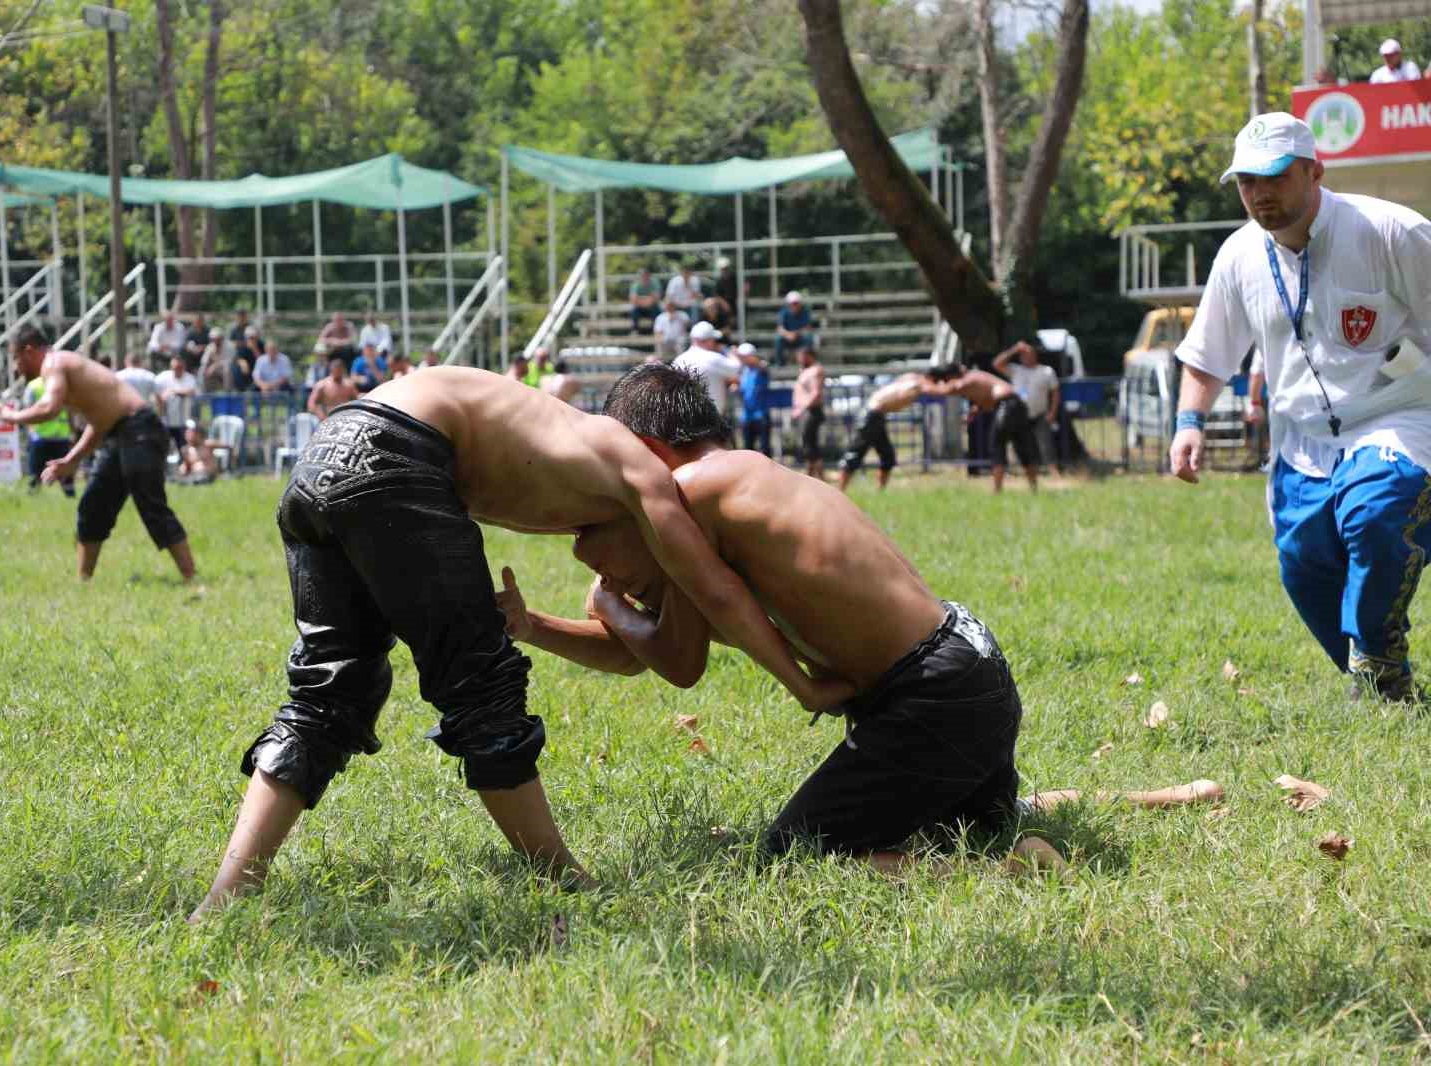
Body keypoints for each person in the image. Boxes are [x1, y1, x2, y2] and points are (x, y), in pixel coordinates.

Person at [188, 365, 852, 922]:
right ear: (655, 444)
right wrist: (802, 683)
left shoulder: (562, 443)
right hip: (395, 450)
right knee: (481, 685)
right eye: (693, 473)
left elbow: (660, 653)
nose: (692, 496)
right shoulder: (635, 467)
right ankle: (563, 878)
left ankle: (226, 895)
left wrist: (538, 624)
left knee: (332, 690)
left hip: (323, 455)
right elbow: (717, 593)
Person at [495, 362, 1116, 873]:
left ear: (647, 453)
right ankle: (1162, 797)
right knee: (974, 819)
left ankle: (1003, 872)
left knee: (797, 855)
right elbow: (640, 650)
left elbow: (677, 662)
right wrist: (533, 627)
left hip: (929, 695)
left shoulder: (694, 495)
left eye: (614, 468)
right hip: (968, 669)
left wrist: (606, 603)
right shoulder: (748, 484)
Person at [1170, 112, 1431, 702]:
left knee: (1376, 510)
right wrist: (1190, 421)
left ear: (1316, 171)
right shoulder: (1239, 256)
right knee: (1303, 564)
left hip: (1399, 412)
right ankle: (1382, 685)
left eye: (1275, 178)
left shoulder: (1391, 232)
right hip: (1302, 434)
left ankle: (1378, 657)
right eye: (1246, 182)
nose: (1259, 194)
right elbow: (1208, 354)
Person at [0, 324, 196, 583]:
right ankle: (83, 583)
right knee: (93, 506)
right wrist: (71, 460)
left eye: (15, 358)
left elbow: (49, 408)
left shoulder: (55, 363)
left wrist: (12, 416)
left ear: (28, 351)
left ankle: (191, 578)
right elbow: (99, 423)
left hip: (140, 429)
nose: (15, 368)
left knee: (150, 503)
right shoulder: (66, 370)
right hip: (120, 433)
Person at [838, 368, 958, 491]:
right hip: (872, 416)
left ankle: (880, 491)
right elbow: (941, 391)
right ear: (934, 379)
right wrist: (956, 382)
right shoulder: (921, 383)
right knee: (854, 454)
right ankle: (840, 490)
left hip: (875, 415)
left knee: (887, 456)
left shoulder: (911, 376)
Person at [947, 364, 1039, 492]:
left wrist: (931, 388)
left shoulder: (969, 377)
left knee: (998, 447)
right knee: (1022, 448)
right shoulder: (979, 376)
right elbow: (987, 399)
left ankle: (997, 490)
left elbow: (957, 387)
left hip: (1006, 406)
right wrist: (977, 408)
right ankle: (1034, 488)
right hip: (1018, 405)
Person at [993, 339, 1061, 471]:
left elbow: (1055, 393)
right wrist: (1014, 349)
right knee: (1019, 444)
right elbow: (996, 364)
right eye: (1022, 354)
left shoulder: (1047, 371)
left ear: (1035, 355)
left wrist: (1052, 412)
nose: (1025, 357)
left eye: (1028, 354)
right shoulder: (1015, 370)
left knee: (1046, 443)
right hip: (1018, 415)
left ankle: (1053, 470)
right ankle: (1023, 469)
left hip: (1039, 413)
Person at [23, 375, 77, 498]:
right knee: (36, 473)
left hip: (55, 437)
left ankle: (71, 499)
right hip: (45, 437)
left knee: (64, 473)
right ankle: (33, 497)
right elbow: (28, 411)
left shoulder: (36, 386)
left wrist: (72, 432)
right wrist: (31, 432)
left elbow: (70, 411)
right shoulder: (36, 386)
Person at [672, 321, 739, 419]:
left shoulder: (678, 360)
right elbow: (738, 369)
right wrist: (731, 353)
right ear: (709, 340)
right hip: (712, 418)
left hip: (685, 418)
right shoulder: (715, 358)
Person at [791, 346, 827, 479]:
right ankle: (811, 476)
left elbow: (815, 393)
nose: (799, 359)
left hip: (811, 412)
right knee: (809, 444)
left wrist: (801, 409)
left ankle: (819, 477)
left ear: (809, 356)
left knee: (811, 446)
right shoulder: (805, 370)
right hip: (806, 412)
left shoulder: (815, 370)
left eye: (801, 356)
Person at [735, 342, 773, 455]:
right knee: (748, 450)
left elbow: (764, 366)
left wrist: (753, 359)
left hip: (761, 415)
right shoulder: (744, 371)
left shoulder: (760, 369)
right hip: (747, 417)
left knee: (765, 449)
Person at [155, 354, 199, 450]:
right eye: (175, 368)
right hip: (166, 421)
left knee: (183, 449)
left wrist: (174, 392)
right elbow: (156, 394)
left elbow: (192, 391)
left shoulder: (189, 378)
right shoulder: (162, 378)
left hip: (183, 422)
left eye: (180, 368)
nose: (177, 370)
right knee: (163, 449)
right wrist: (161, 399)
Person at [307, 355, 359, 419]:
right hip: (328, 417)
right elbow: (311, 404)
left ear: (343, 370)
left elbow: (358, 402)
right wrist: (321, 414)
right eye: (336, 370)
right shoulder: (322, 385)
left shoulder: (349, 385)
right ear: (331, 369)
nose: (338, 372)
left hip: (346, 418)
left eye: (340, 370)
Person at [774, 291, 815, 366]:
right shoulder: (784, 312)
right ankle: (780, 363)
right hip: (787, 338)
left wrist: (795, 334)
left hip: (800, 337)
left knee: (809, 338)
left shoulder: (805, 312)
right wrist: (788, 334)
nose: (794, 306)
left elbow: (808, 327)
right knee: (778, 339)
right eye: (792, 304)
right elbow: (780, 328)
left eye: (796, 303)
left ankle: (807, 362)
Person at [629, 267, 660, 334]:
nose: (644, 277)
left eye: (646, 275)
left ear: (649, 275)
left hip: (651, 307)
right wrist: (648, 299)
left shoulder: (654, 283)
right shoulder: (636, 284)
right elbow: (633, 299)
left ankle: (654, 330)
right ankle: (635, 330)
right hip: (640, 307)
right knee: (634, 310)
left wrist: (641, 299)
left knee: (657, 310)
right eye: (642, 275)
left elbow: (656, 298)